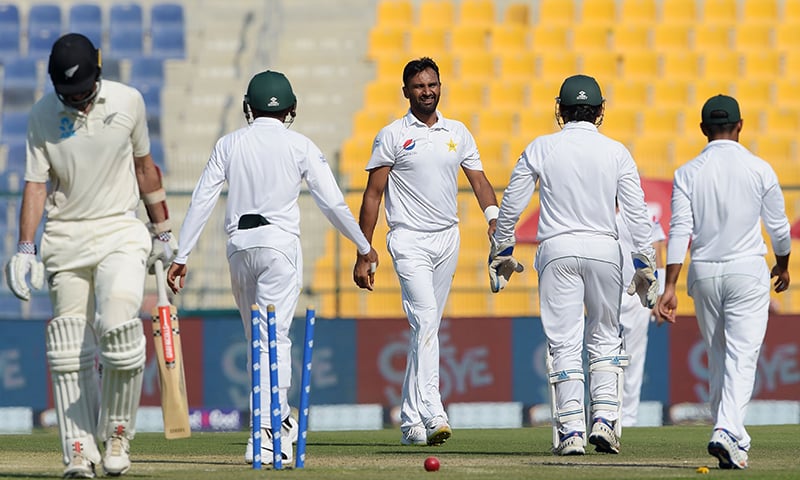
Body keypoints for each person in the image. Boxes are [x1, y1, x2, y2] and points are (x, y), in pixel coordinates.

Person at [166, 70, 378, 464]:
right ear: (292, 108)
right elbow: (332, 203)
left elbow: (202, 200)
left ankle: (277, 422)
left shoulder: (229, 143)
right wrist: (364, 246)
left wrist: (182, 255)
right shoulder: (300, 145)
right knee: (275, 341)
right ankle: (265, 434)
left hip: (240, 248)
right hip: (279, 247)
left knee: (257, 343)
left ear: (249, 107)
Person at [3, 33, 177, 478]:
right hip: (65, 238)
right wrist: (26, 247)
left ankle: (117, 432)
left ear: (99, 73)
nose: (78, 101)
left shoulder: (128, 102)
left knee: (119, 329)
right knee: (68, 349)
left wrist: (163, 230)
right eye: (69, 94)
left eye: (84, 92)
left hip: (120, 229)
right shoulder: (42, 115)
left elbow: (145, 166)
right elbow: (36, 184)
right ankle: (79, 448)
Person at [490, 74, 658, 456]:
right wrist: (645, 263)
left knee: (564, 341)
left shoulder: (541, 147)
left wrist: (501, 249)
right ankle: (603, 419)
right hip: (604, 248)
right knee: (604, 335)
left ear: (560, 110)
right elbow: (635, 213)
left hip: (557, 249)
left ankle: (570, 431)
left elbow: (513, 203)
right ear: (600, 111)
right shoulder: (617, 151)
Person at [353, 57, 499, 447]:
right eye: (419, 86)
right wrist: (363, 251)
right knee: (428, 320)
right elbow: (372, 195)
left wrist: (493, 218)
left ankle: (409, 420)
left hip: (446, 238)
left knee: (426, 328)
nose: (427, 91)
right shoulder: (392, 135)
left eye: (433, 84)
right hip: (408, 239)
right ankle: (433, 411)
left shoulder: (458, 132)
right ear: (406, 92)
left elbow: (480, 180)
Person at [657, 95, 791, 470]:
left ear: (703, 130)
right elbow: (779, 229)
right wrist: (782, 266)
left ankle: (734, 438)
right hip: (746, 269)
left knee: (718, 357)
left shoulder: (687, 172)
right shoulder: (759, 168)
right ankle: (727, 431)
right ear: (740, 125)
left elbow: (680, 229)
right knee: (741, 356)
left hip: (704, 272)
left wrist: (670, 286)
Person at [616, 207, 666, 427]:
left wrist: (660, 293)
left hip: (638, 294)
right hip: (607, 292)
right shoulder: (597, 210)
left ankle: (626, 418)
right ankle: (604, 415)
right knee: (604, 356)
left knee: (632, 358)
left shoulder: (642, 212)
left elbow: (657, 250)